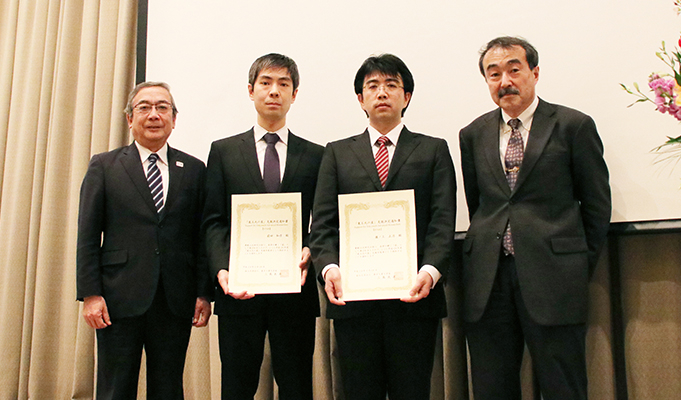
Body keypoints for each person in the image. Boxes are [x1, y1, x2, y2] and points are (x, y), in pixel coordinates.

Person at [458, 36, 612, 400]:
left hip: (554, 277)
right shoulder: (473, 134)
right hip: (488, 281)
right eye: (493, 74)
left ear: (535, 72)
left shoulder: (573, 125)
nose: (504, 81)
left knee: (563, 387)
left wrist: (575, 263)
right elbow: (479, 202)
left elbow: (596, 205)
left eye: (514, 69)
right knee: (492, 388)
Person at [309, 53, 456, 400]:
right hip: (355, 304)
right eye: (372, 86)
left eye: (392, 85)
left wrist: (431, 271)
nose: (382, 93)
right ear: (360, 99)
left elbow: (442, 220)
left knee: (413, 391)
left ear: (407, 97)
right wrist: (329, 268)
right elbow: (323, 224)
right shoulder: (336, 153)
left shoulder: (434, 150)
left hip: (414, 299)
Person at [76, 81, 212, 399]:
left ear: (174, 119)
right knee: (115, 388)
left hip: (174, 298)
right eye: (144, 107)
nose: (154, 114)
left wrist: (203, 293)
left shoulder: (193, 169)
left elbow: (201, 236)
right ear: (129, 118)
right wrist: (90, 294)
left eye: (162, 107)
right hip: (117, 298)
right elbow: (87, 235)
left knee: (168, 388)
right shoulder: (105, 166)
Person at [202, 53, 323, 400]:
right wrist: (221, 268)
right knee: (237, 386)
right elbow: (213, 220)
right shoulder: (223, 152)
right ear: (251, 90)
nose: (274, 91)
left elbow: (324, 220)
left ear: (294, 94)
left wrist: (310, 249)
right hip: (240, 291)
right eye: (266, 83)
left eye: (283, 84)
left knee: (297, 384)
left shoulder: (315, 155)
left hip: (294, 292)